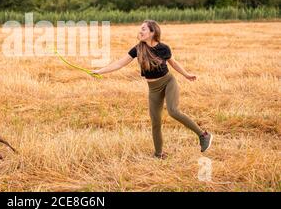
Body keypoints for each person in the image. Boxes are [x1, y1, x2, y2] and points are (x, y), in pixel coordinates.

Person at [91, 20, 212, 159]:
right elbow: (119, 63)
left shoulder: (163, 48)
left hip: (168, 82)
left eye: (143, 29)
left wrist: (186, 75)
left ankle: (203, 135)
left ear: (152, 32)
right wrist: (100, 71)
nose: (140, 31)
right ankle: (158, 154)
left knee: (173, 111)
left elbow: (174, 63)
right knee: (155, 122)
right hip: (153, 88)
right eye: (140, 29)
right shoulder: (138, 49)